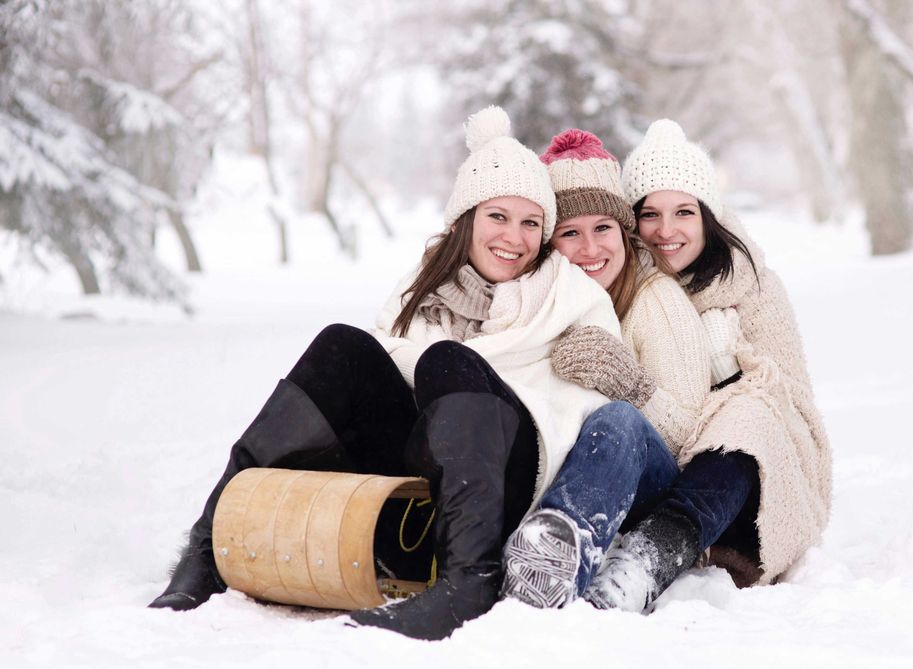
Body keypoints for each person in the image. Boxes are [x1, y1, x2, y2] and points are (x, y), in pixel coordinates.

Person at [149, 107, 619, 641]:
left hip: (511, 479)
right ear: (466, 218)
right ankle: (207, 548)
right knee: (342, 344)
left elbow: (586, 416)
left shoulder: (571, 297)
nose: (514, 237)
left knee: (449, 360)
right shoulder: (422, 289)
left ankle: (470, 580)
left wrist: (461, 373)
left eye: (531, 222)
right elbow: (392, 372)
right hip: (421, 475)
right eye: (498, 216)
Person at [581, 119, 834, 612]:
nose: (666, 230)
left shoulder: (751, 286)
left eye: (683, 212)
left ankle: (647, 561)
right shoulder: (623, 283)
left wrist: (729, 371)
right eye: (649, 214)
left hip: (744, 478)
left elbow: (793, 404)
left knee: (751, 414)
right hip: (657, 461)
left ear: (707, 217)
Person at [497, 129, 713, 608]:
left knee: (617, 421)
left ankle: (556, 552)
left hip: (648, 488)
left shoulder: (655, 301)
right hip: (561, 468)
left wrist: (630, 385)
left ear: (623, 232)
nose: (591, 248)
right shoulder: (543, 300)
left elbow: (692, 441)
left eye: (603, 229)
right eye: (570, 233)